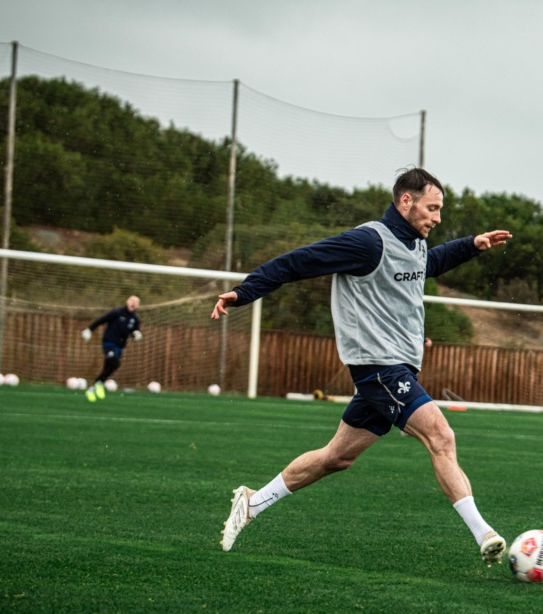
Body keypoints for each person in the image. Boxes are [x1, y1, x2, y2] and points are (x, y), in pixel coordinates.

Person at [211, 168, 513, 565]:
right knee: (441, 435)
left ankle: (251, 503)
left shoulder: (415, 243)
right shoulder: (367, 242)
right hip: (379, 369)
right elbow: (297, 262)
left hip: (395, 369)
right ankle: (484, 534)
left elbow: (428, 264)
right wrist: (243, 292)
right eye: (432, 208)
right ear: (406, 201)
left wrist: (472, 244)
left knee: (337, 457)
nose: (437, 218)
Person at [80, 295, 142, 402]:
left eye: (136, 302)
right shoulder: (117, 312)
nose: (133, 303)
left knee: (109, 368)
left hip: (120, 347)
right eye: (132, 300)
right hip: (109, 343)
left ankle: (93, 388)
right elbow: (101, 320)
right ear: (127, 301)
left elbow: (134, 331)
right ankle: (99, 384)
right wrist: (89, 330)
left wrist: (136, 334)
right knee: (114, 362)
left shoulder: (135, 319)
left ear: (138, 305)